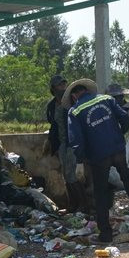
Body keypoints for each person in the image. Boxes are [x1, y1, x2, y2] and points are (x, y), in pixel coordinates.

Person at [65, 78, 129, 245]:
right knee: (128, 179)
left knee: (100, 193)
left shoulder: (75, 111)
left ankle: (105, 234)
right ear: (87, 90)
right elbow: (125, 118)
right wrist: (119, 135)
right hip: (117, 148)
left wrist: (79, 161)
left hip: (98, 156)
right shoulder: (107, 99)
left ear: (75, 95)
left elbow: (75, 139)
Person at [46, 75, 86, 212]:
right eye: (59, 86)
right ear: (53, 89)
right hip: (62, 144)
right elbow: (53, 125)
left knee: (73, 175)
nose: (62, 88)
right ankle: (73, 204)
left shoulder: (72, 102)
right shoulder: (51, 106)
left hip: (73, 142)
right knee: (66, 175)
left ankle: (82, 204)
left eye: (64, 85)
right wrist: (52, 144)